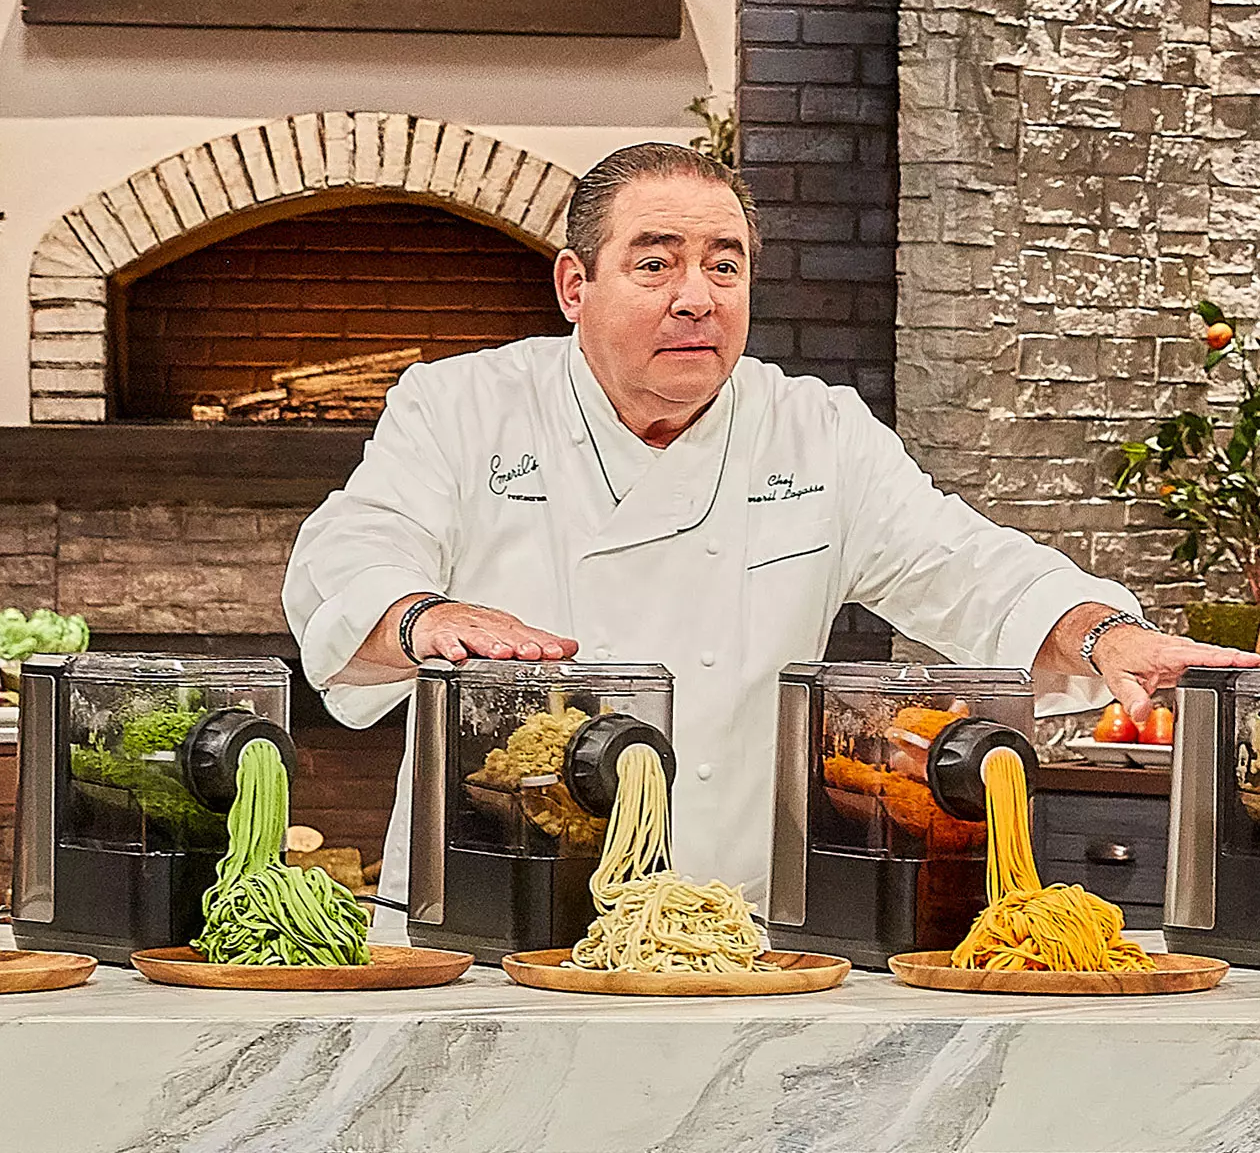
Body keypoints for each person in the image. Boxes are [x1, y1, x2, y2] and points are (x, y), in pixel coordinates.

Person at [282, 143, 1258, 931]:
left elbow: (965, 564)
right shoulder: (464, 405)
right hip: (491, 909)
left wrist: (1104, 635)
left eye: (725, 264)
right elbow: (354, 559)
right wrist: (424, 617)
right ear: (575, 285)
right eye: (655, 262)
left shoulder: (815, 430)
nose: (696, 295)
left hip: (730, 924)